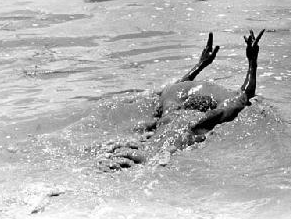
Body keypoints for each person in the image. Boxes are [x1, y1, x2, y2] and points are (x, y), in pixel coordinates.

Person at [100, 29, 265, 170]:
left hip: (145, 145)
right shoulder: (204, 120)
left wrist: (200, 65)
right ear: (208, 108)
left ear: (185, 103)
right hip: (165, 154)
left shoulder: (171, 110)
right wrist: (252, 62)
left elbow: (177, 87)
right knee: (149, 162)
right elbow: (245, 95)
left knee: (119, 155)